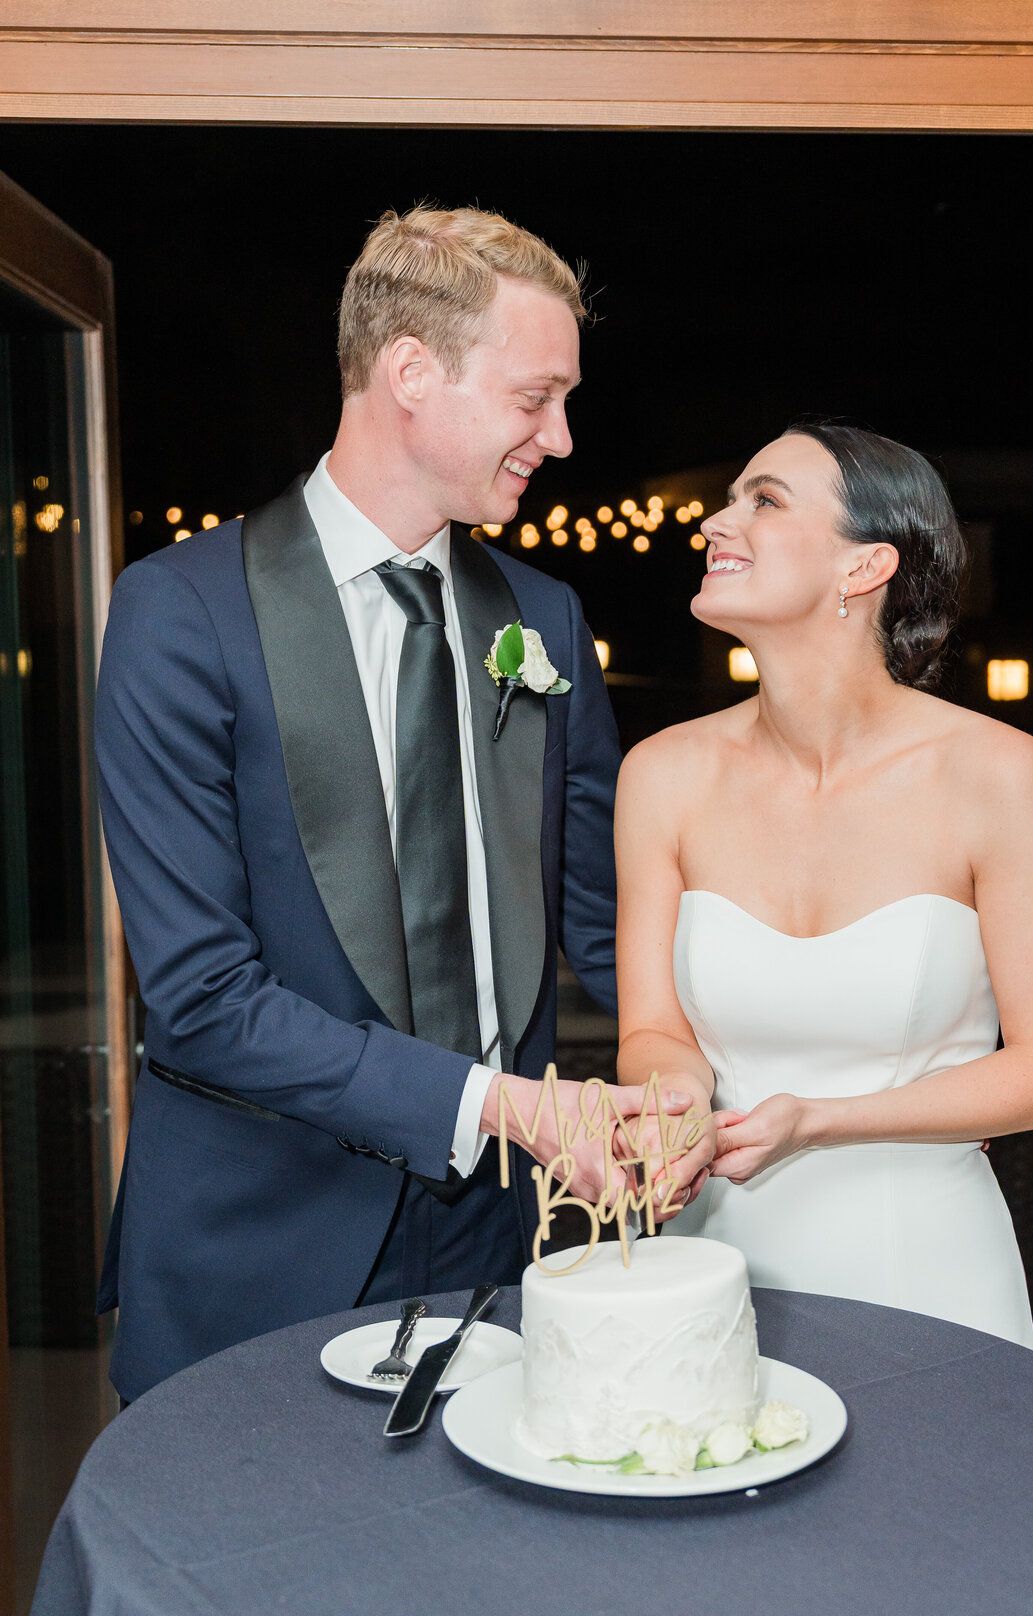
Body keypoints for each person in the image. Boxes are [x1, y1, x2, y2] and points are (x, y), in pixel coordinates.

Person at [96, 206, 664, 1402]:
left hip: (498, 1233)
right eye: (535, 398)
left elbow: (610, 926)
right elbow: (201, 998)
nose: (560, 438)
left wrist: (759, 1083)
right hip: (263, 1237)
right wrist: (502, 1104)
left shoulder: (543, 620)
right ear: (411, 373)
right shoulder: (182, 614)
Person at [615, 423, 1033, 1346]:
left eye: (764, 500)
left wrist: (821, 1122)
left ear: (865, 566)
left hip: (925, 1260)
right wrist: (673, 1107)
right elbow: (652, 1031)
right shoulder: (660, 774)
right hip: (713, 1252)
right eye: (730, 499)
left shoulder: (997, 773)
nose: (716, 523)